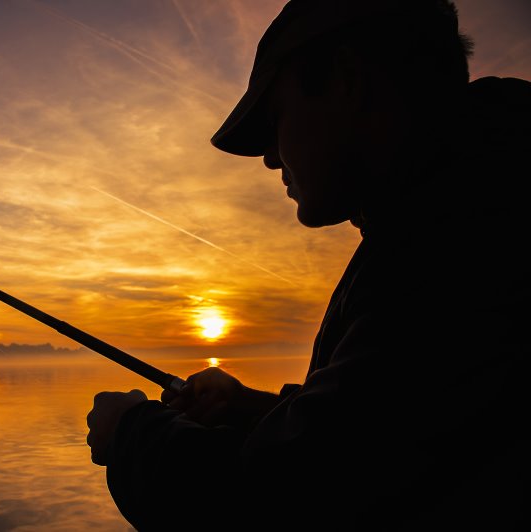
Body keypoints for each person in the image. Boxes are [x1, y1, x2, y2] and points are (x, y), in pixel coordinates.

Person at [86, 0, 531, 529]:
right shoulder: (463, 200)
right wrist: (251, 409)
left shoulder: (465, 238)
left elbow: (285, 499)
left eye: (275, 120)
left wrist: (130, 431)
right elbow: (379, 438)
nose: (271, 158)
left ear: (347, 81)